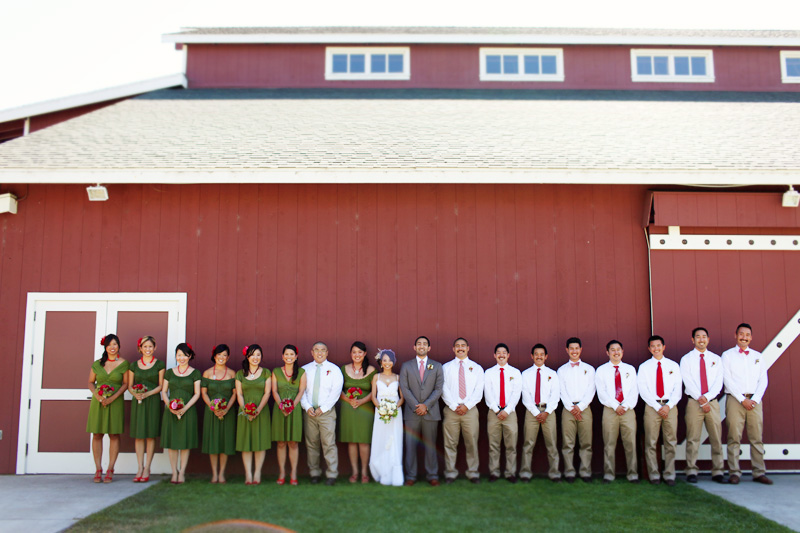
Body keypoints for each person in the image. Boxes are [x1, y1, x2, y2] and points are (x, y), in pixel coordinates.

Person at [722, 323, 772, 485]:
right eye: (741, 334)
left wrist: (755, 399)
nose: (744, 337)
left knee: (756, 437)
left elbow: (763, 380)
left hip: (755, 401)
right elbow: (727, 380)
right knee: (734, 437)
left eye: (747, 334)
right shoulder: (727, 355)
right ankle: (734, 472)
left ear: (751, 337)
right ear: (735, 335)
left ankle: (759, 472)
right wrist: (742, 399)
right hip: (735, 400)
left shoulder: (758, 356)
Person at [680, 327, 725, 484]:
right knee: (693, 438)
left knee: (716, 438)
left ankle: (718, 471)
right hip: (694, 403)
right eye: (698, 337)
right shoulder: (686, 360)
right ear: (693, 340)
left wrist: (707, 399)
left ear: (708, 339)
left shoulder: (716, 359)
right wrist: (701, 399)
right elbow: (688, 381)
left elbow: (718, 382)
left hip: (712, 403)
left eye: (704, 336)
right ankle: (691, 470)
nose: (701, 339)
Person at [399, 335, 444, 486]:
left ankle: (432, 475)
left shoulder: (437, 366)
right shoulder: (406, 366)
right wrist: (416, 406)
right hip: (411, 413)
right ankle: (411, 476)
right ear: (414, 347)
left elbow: (438, 389)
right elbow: (404, 388)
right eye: (419, 344)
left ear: (429, 348)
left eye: (425, 344)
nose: (422, 346)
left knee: (430, 445)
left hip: (431, 412)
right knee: (410, 445)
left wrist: (426, 405)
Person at [637, 335, 681, 486]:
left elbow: (677, 389)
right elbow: (643, 390)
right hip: (652, 407)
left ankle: (669, 475)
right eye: (653, 346)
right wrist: (658, 407)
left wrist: (668, 406)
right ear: (649, 348)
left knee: (670, 441)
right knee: (651, 441)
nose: (656, 348)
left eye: (658, 345)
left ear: (664, 347)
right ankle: (654, 475)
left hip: (670, 407)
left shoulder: (673, 366)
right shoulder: (644, 367)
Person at [86, 334, 129, 483]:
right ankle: (98, 468)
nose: (112, 347)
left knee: (114, 434)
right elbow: (91, 382)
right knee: (97, 434)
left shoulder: (124, 364)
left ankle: (111, 468)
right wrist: (98, 396)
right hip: (98, 402)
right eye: (110, 345)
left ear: (119, 346)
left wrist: (112, 398)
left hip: (115, 402)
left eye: (115, 344)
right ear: (105, 347)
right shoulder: (97, 364)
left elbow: (125, 384)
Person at [442, 337, 485, 484]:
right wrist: (454, 406)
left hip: (470, 410)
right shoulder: (445, 368)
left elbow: (478, 391)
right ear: (453, 349)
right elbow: (443, 389)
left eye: (463, 346)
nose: (460, 348)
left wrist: (467, 406)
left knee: (471, 442)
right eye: (457, 346)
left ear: (468, 348)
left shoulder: (477, 368)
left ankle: (473, 473)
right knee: (450, 443)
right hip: (451, 410)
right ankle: (450, 473)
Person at [301, 342, 344, 485]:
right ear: (312, 352)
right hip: (309, 412)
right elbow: (301, 391)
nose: (320, 353)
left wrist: (323, 408)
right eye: (317, 350)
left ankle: (332, 474)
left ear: (327, 352)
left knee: (328, 443)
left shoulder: (334, 369)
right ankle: (314, 473)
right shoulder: (304, 370)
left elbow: (336, 392)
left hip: (326, 412)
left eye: (323, 350)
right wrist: (307, 406)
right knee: (311, 443)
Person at [596, 339, 639, 483]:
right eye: (612, 350)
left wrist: (625, 406)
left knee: (630, 443)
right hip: (610, 410)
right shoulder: (601, 370)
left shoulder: (630, 369)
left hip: (628, 410)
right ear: (607, 352)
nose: (616, 352)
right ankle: (609, 474)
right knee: (609, 443)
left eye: (618, 349)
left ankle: (632, 474)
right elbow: (602, 393)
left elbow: (634, 391)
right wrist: (616, 406)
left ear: (622, 351)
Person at [161, 342, 202, 484]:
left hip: (188, 411)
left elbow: (197, 394)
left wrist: (185, 408)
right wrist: (169, 406)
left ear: (190, 356)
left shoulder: (195, 373)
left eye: (185, 355)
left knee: (185, 443)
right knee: (172, 443)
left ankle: (182, 472)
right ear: (176, 356)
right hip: (171, 411)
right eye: (179, 355)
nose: (182, 358)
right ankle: (174, 472)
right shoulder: (169, 372)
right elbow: (164, 391)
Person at [520, 343, 561, 483]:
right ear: (532, 356)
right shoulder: (525, 374)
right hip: (532, 412)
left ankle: (554, 473)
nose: (539, 356)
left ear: (546, 356)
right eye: (536, 354)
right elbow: (525, 395)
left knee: (552, 444)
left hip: (549, 412)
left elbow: (555, 395)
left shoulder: (552, 374)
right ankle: (525, 473)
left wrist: (546, 412)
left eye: (542, 354)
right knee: (528, 443)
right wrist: (536, 412)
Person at [557, 337, 596, 483]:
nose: (574, 351)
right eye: (571, 348)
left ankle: (585, 472)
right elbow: (561, 391)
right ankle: (569, 472)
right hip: (568, 409)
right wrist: (571, 407)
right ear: (567, 350)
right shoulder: (561, 370)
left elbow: (591, 390)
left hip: (584, 409)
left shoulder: (589, 369)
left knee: (586, 442)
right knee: (568, 443)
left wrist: (580, 407)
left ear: (581, 349)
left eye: (576, 348)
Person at [127, 335, 165, 483]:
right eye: (145, 347)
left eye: (150, 346)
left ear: (154, 348)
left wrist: (148, 393)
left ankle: (147, 467)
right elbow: (130, 385)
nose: (147, 349)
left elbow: (161, 385)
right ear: (140, 348)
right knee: (139, 435)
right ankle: (139, 467)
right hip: (138, 402)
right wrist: (136, 394)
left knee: (150, 435)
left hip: (152, 401)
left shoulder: (159, 364)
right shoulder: (134, 365)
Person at [484, 343, 522, 483]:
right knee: (494, 445)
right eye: (498, 352)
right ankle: (494, 472)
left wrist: (506, 410)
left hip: (510, 413)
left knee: (511, 445)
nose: (501, 355)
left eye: (504, 352)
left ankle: (510, 473)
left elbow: (516, 394)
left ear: (508, 355)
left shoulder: (515, 373)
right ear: (494, 355)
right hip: (493, 412)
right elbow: (488, 393)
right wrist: (496, 409)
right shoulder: (489, 373)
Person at [339, 341, 376, 484]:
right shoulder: (344, 369)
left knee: (364, 442)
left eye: (360, 352)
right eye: (354, 352)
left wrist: (362, 401)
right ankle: (354, 471)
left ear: (365, 354)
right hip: (349, 409)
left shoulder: (372, 370)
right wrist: (349, 400)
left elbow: (375, 391)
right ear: (351, 354)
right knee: (352, 442)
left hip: (365, 409)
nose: (357, 355)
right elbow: (338, 389)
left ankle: (364, 472)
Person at [235, 344, 272, 485]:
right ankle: (248, 474)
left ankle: (257, 473)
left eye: (258, 354)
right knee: (246, 442)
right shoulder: (240, 374)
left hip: (261, 411)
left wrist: (257, 410)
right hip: (244, 412)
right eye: (252, 355)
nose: (255, 358)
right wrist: (245, 410)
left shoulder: (266, 373)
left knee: (259, 442)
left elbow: (267, 392)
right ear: (247, 356)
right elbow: (239, 393)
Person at [271, 344, 307, 486]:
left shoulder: (302, 372)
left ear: (296, 356)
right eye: (286, 354)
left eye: (292, 354)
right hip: (279, 408)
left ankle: (293, 473)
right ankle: (282, 473)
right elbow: (274, 391)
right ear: (282, 356)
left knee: (293, 443)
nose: (289, 357)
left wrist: (291, 406)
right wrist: (281, 405)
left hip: (294, 409)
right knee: (281, 443)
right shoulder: (276, 371)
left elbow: (301, 391)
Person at [201, 344, 237, 484]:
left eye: (224, 355)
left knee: (224, 442)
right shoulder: (207, 373)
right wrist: (213, 407)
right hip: (212, 412)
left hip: (227, 412)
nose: (221, 357)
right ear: (214, 356)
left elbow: (235, 394)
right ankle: (214, 474)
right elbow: (203, 392)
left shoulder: (232, 373)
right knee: (213, 442)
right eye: (219, 354)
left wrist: (226, 409)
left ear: (228, 357)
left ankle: (222, 473)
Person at [369, 349, 405, 486]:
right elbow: (373, 396)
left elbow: (402, 397)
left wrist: (394, 408)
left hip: (395, 413)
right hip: (381, 413)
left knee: (394, 439)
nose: (387, 363)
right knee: (381, 439)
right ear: (381, 362)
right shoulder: (376, 377)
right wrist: (381, 409)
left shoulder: (398, 377)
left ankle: (394, 474)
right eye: (385, 360)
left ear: (393, 362)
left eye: (390, 360)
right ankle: (382, 471)